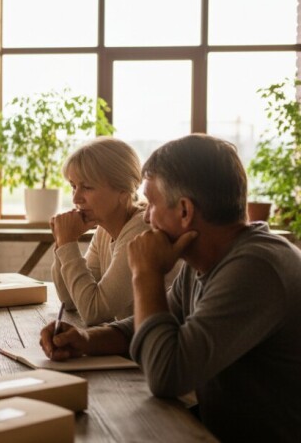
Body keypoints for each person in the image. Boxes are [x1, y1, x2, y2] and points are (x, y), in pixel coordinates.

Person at [39, 134, 301, 442]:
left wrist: (146, 273)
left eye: (151, 204)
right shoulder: (203, 259)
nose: (147, 217)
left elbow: (168, 375)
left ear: (185, 211)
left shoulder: (257, 268)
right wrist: (84, 339)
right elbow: (140, 328)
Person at [50, 137, 179, 326]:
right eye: (73, 186)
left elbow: (94, 312)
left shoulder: (141, 230)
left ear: (123, 191)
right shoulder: (104, 230)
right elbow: (69, 300)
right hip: (130, 342)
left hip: (157, 345)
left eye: (87, 187)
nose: (76, 198)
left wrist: (68, 244)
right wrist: (62, 243)